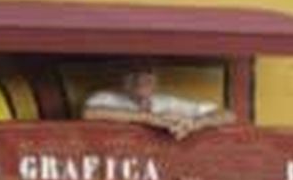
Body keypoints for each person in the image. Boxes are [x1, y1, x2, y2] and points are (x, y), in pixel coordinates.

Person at [81, 59, 236, 139]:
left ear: (155, 81)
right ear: (123, 81)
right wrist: (150, 118)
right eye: (134, 75)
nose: (140, 80)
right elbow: (89, 113)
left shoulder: (167, 101)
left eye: (147, 75)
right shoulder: (107, 97)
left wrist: (195, 124)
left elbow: (228, 115)